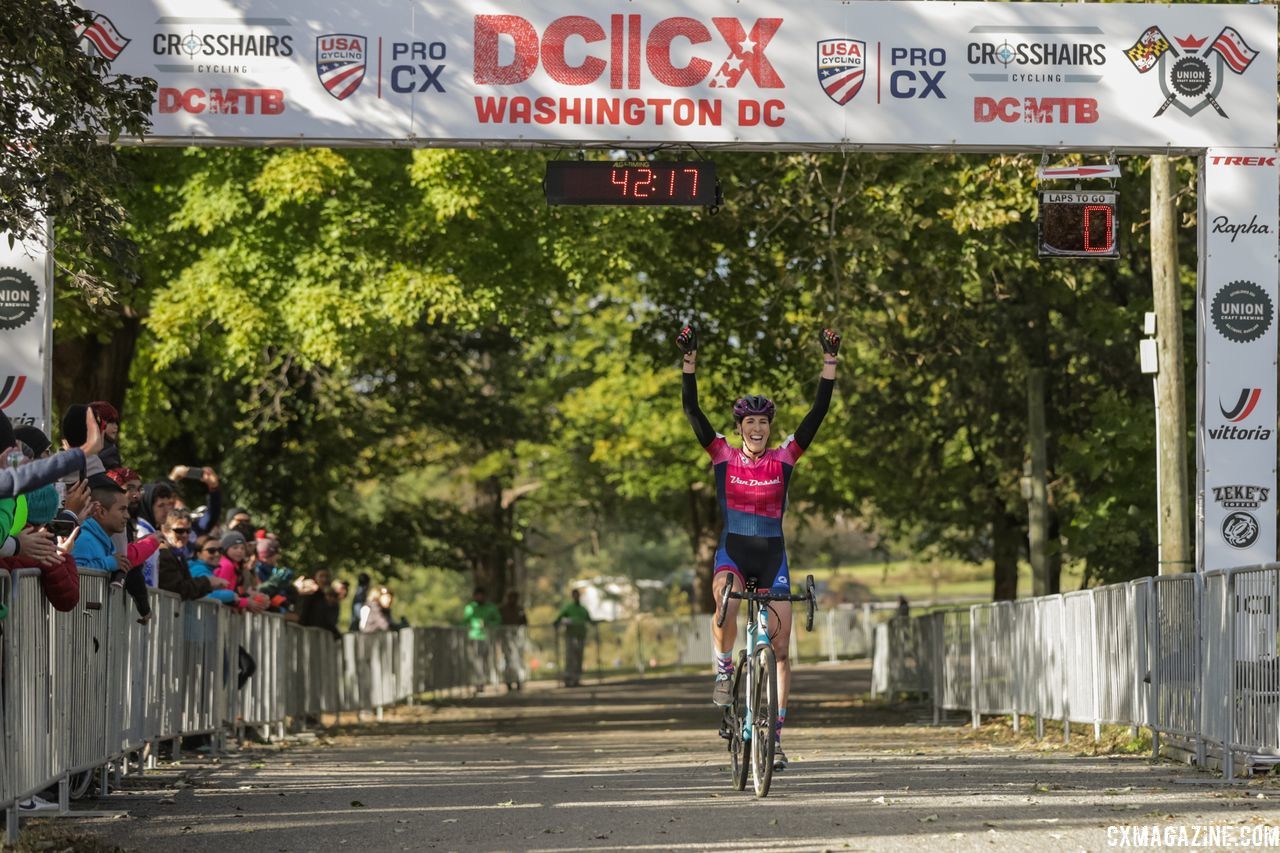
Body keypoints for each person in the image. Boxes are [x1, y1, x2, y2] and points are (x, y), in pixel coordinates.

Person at [677, 325, 839, 771]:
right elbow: (691, 410)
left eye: (763, 422)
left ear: (770, 427)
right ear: (740, 427)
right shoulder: (722, 456)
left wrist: (830, 364)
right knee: (725, 602)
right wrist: (689, 362)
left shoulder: (784, 457)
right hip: (734, 551)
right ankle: (725, 669)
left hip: (772, 556)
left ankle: (777, 737)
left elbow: (817, 414)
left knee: (781, 649)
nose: (756, 428)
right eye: (749, 422)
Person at [73, 478, 151, 623]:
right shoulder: (84, 539)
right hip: (75, 628)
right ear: (100, 511)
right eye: (122, 509)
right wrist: (109, 563)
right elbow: (74, 573)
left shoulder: (103, 541)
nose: (127, 516)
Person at [157, 510, 231, 601]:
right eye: (179, 531)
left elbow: (187, 588)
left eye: (188, 531)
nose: (184, 535)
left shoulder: (179, 555)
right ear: (165, 531)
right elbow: (177, 589)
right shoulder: (163, 553)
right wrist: (208, 582)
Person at [462, 587, 500, 691]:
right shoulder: (470, 608)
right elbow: (464, 622)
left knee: (488, 660)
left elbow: (498, 620)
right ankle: (478, 682)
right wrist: (473, 625)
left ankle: (491, 681)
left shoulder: (491, 607)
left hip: (487, 638)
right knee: (476, 661)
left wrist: (488, 624)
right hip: (474, 637)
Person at [554, 588, 592, 688]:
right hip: (571, 636)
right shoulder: (568, 608)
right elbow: (559, 617)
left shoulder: (583, 609)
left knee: (579, 657)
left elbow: (589, 619)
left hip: (581, 636)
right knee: (570, 657)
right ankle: (568, 678)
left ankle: (576, 678)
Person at [498, 590, 528, 691]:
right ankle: (509, 681)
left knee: (518, 659)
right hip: (506, 638)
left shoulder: (519, 609)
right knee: (507, 659)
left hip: (517, 637)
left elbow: (525, 622)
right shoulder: (502, 609)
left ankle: (519, 680)